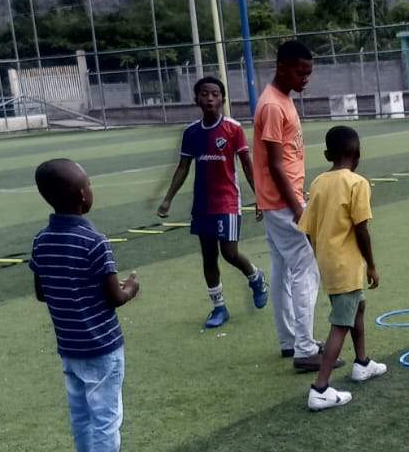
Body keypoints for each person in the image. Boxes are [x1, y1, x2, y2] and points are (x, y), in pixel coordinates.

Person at [29, 158, 151, 452]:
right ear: (83, 195)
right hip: (102, 345)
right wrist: (131, 288)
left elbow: (42, 292)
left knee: (81, 414)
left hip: (69, 345)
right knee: (106, 418)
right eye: (89, 184)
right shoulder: (95, 242)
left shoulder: (41, 240)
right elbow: (115, 297)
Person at [253, 40, 343, 373]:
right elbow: (275, 164)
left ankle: (290, 340)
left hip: (278, 199)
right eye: (300, 72)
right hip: (283, 202)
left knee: (281, 268)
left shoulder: (280, 100)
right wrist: (298, 208)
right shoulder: (272, 105)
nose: (305, 79)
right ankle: (304, 349)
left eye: (308, 73)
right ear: (282, 68)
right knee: (306, 267)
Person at [156, 76, 269, 328]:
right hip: (202, 204)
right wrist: (167, 200)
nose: (210, 98)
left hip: (227, 201)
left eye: (215, 94)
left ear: (222, 100)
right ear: (196, 99)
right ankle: (219, 308)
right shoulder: (191, 132)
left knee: (229, 253)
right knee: (208, 257)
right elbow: (183, 167)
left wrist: (259, 197)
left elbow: (247, 165)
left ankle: (256, 277)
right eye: (204, 94)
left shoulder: (233, 129)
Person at [298, 126, 387, 410]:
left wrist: (321, 253)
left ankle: (362, 363)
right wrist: (371, 265)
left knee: (357, 306)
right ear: (358, 155)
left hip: (327, 261)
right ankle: (320, 388)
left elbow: (307, 228)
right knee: (341, 323)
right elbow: (361, 229)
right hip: (346, 264)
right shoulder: (357, 183)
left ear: (327, 155)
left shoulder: (318, 183)